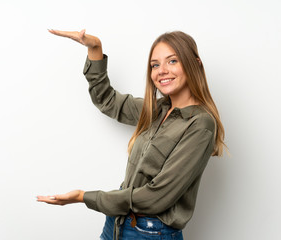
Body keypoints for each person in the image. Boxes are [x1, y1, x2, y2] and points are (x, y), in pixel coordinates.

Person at [37, 29, 226, 240]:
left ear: (195, 64)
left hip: (150, 231)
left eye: (172, 61)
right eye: (155, 65)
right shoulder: (157, 110)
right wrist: (95, 48)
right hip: (116, 222)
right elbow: (107, 100)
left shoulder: (200, 124)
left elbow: (158, 196)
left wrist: (84, 197)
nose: (161, 70)